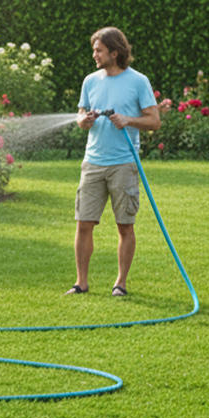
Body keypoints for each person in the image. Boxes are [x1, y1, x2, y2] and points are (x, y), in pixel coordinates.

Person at [66, 27, 160, 297]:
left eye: (99, 50)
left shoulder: (138, 81)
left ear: (114, 52)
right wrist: (83, 120)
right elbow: (81, 113)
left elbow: (154, 121)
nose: (94, 54)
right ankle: (81, 283)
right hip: (93, 162)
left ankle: (121, 283)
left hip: (123, 164)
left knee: (124, 225)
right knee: (84, 223)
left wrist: (128, 120)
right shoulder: (90, 81)